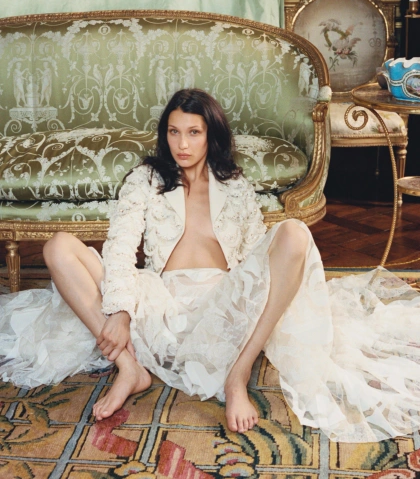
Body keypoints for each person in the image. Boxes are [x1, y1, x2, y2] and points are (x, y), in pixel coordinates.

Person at [1, 88, 420, 443]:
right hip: (160, 301)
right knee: (58, 247)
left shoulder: (234, 184)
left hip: (223, 303)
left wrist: (258, 291)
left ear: (210, 135)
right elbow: (121, 247)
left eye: (193, 133)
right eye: (174, 132)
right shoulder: (146, 179)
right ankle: (129, 368)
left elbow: (257, 254)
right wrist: (122, 311)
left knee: (293, 233)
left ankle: (237, 375)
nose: (181, 144)